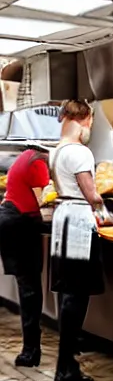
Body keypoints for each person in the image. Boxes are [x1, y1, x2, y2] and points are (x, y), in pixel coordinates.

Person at [50, 100, 104, 381]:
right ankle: (65, 371)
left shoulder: (55, 151)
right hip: (79, 226)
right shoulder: (80, 152)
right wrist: (106, 214)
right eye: (90, 123)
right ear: (81, 119)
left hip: (63, 221)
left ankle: (68, 366)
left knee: (68, 298)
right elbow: (91, 195)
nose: (89, 129)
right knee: (76, 298)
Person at [0, 147, 50, 367]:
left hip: (12, 220)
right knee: (30, 290)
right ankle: (30, 351)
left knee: (27, 288)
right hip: (19, 224)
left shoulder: (26, 157)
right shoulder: (38, 163)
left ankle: (31, 349)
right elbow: (43, 201)